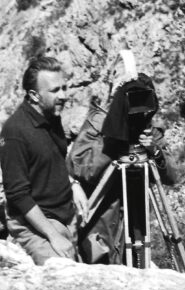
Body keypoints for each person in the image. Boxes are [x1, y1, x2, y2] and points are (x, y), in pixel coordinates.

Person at [68, 73, 178, 264]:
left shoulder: (148, 130)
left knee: (137, 263)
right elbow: (79, 168)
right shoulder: (99, 123)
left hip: (136, 222)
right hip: (103, 219)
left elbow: (172, 176)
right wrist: (114, 139)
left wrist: (155, 151)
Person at [0, 55, 87, 265]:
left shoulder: (51, 116)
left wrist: (73, 184)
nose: (63, 95)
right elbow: (18, 194)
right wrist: (53, 236)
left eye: (64, 88)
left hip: (65, 218)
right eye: (55, 90)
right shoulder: (15, 132)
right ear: (34, 95)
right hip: (37, 227)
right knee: (61, 273)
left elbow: (53, 161)